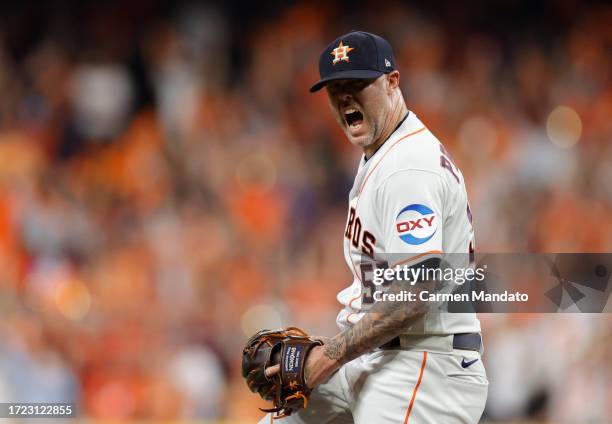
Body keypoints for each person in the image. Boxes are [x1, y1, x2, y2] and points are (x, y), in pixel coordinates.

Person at [260, 30, 488, 423]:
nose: (346, 97)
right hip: (379, 358)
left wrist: (326, 357)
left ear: (392, 83)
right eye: (336, 89)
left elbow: (416, 292)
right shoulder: (385, 152)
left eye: (358, 84)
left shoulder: (407, 167)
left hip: (423, 366)